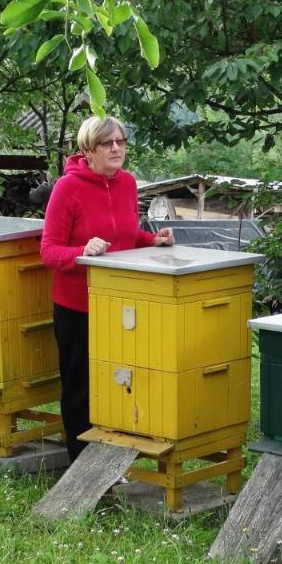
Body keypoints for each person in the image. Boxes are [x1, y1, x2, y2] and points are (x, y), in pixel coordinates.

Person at [41, 116, 174, 461]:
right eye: (107, 143)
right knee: (80, 387)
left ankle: (114, 456)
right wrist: (81, 252)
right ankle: (78, 463)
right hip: (77, 306)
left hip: (122, 303)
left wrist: (152, 239)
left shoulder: (128, 183)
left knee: (121, 381)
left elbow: (125, 237)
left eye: (121, 141)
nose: (117, 148)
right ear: (88, 149)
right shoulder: (67, 188)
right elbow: (49, 250)